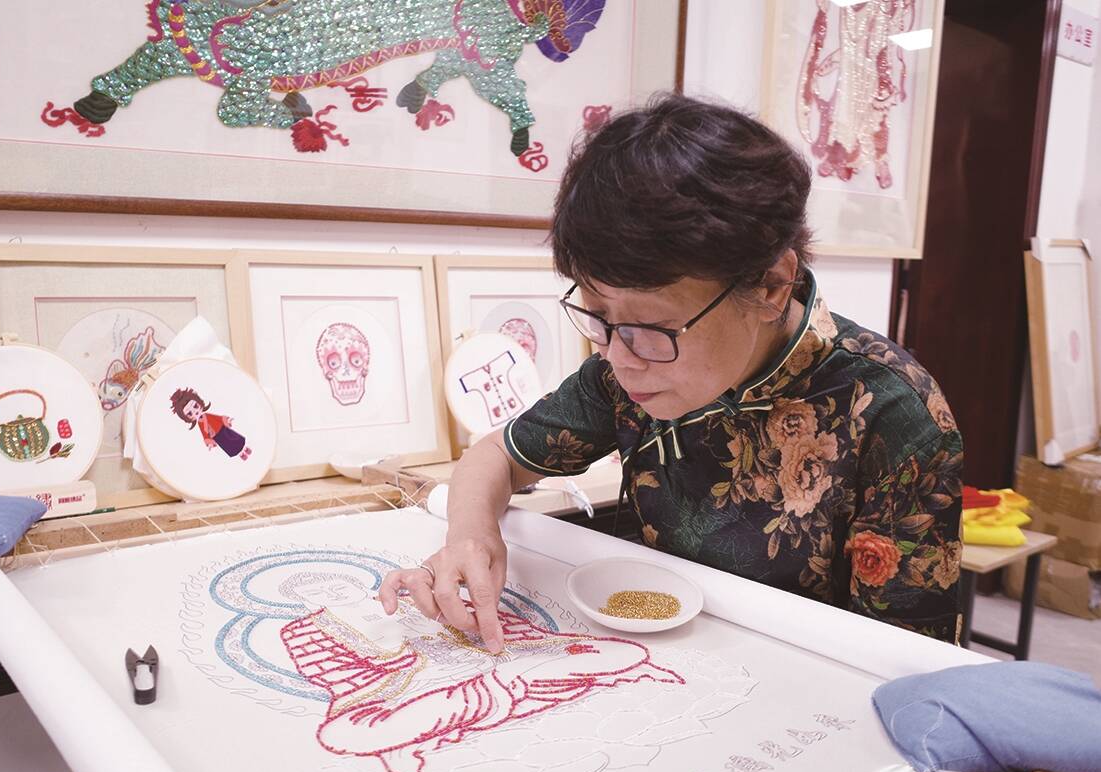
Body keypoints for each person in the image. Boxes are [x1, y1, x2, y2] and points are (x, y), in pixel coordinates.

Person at [378, 94, 963, 652]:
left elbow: (909, 663)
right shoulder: (623, 370)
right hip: (652, 655)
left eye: (652, 327)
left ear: (770, 285)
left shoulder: (891, 413)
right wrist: (471, 535)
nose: (619, 357)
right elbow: (496, 456)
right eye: (599, 316)